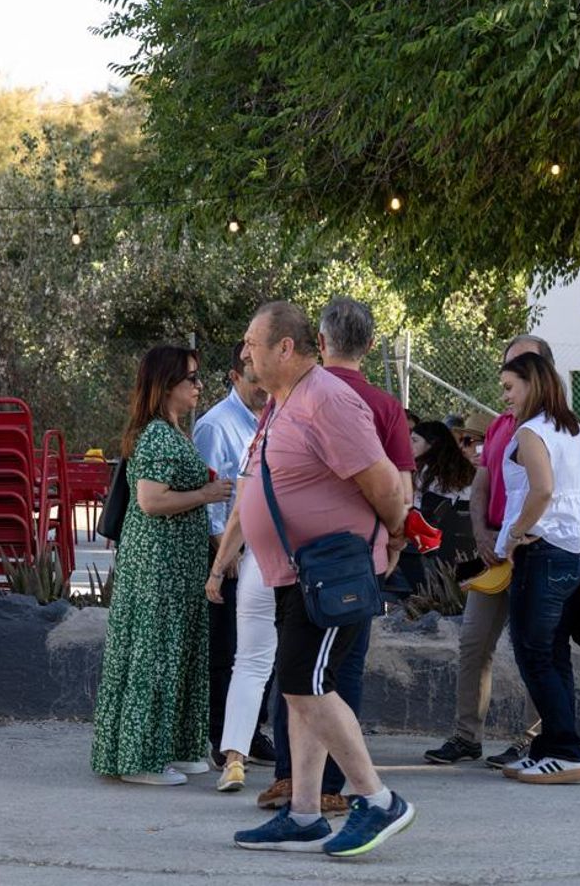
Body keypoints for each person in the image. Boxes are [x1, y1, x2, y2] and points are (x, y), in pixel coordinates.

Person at [230, 301, 412, 858]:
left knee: (304, 684)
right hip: (295, 573)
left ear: (286, 348)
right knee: (298, 689)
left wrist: (394, 535)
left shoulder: (328, 400)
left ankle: (378, 800)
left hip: (331, 573)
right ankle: (303, 814)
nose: (244, 354)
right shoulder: (285, 401)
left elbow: (386, 485)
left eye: (252, 344)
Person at [91, 345, 232, 785]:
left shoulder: (171, 432)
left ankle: (175, 747)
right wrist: (206, 495)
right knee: (154, 656)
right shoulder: (155, 435)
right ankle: (138, 760)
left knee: (179, 653)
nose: (198, 385)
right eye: (191, 378)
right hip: (157, 567)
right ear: (166, 385)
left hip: (176, 566)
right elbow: (151, 501)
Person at [493, 351, 580, 785]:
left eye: (510, 387)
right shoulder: (574, 431)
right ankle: (553, 746)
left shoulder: (532, 432)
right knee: (553, 655)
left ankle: (567, 750)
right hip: (575, 553)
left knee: (534, 654)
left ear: (532, 384)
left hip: (543, 552)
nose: (506, 396)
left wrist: (516, 532)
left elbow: (542, 490)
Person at [422, 335, 553, 768]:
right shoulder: (500, 425)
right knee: (474, 642)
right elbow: (482, 481)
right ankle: (466, 736)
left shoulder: (556, 428)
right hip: (495, 547)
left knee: (536, 647)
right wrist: (481, 531)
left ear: (541, 373)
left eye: (519, 368)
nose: (508, 381)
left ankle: (535, 739)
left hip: (533, 549)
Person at [192, 341, 274, 792]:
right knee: (227, 652)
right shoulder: (216, 426)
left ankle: (250, 732)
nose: (261, 387)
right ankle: (223, 739)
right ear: (234, 376)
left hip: (261, 555)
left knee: (260, 653)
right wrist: (226, 556)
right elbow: (212, 500)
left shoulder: (271, 421)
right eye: (253, 378)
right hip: (228, 550)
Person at [411, 420, 477, 504]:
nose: (409, 444)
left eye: (415, 440)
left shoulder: (422, 469)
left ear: (432, 443)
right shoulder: (466, 468)